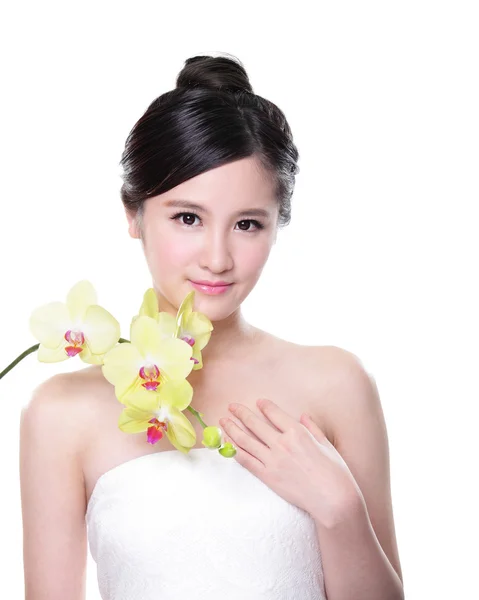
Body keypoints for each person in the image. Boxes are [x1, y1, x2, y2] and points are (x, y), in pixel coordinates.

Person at [19, 54, 404, 600]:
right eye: (188, 218)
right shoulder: (62, 413)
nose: (218, 258)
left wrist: (340, 509)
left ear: (277, 226)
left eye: (247, 224)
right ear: (133, 213)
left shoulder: (336, 383)